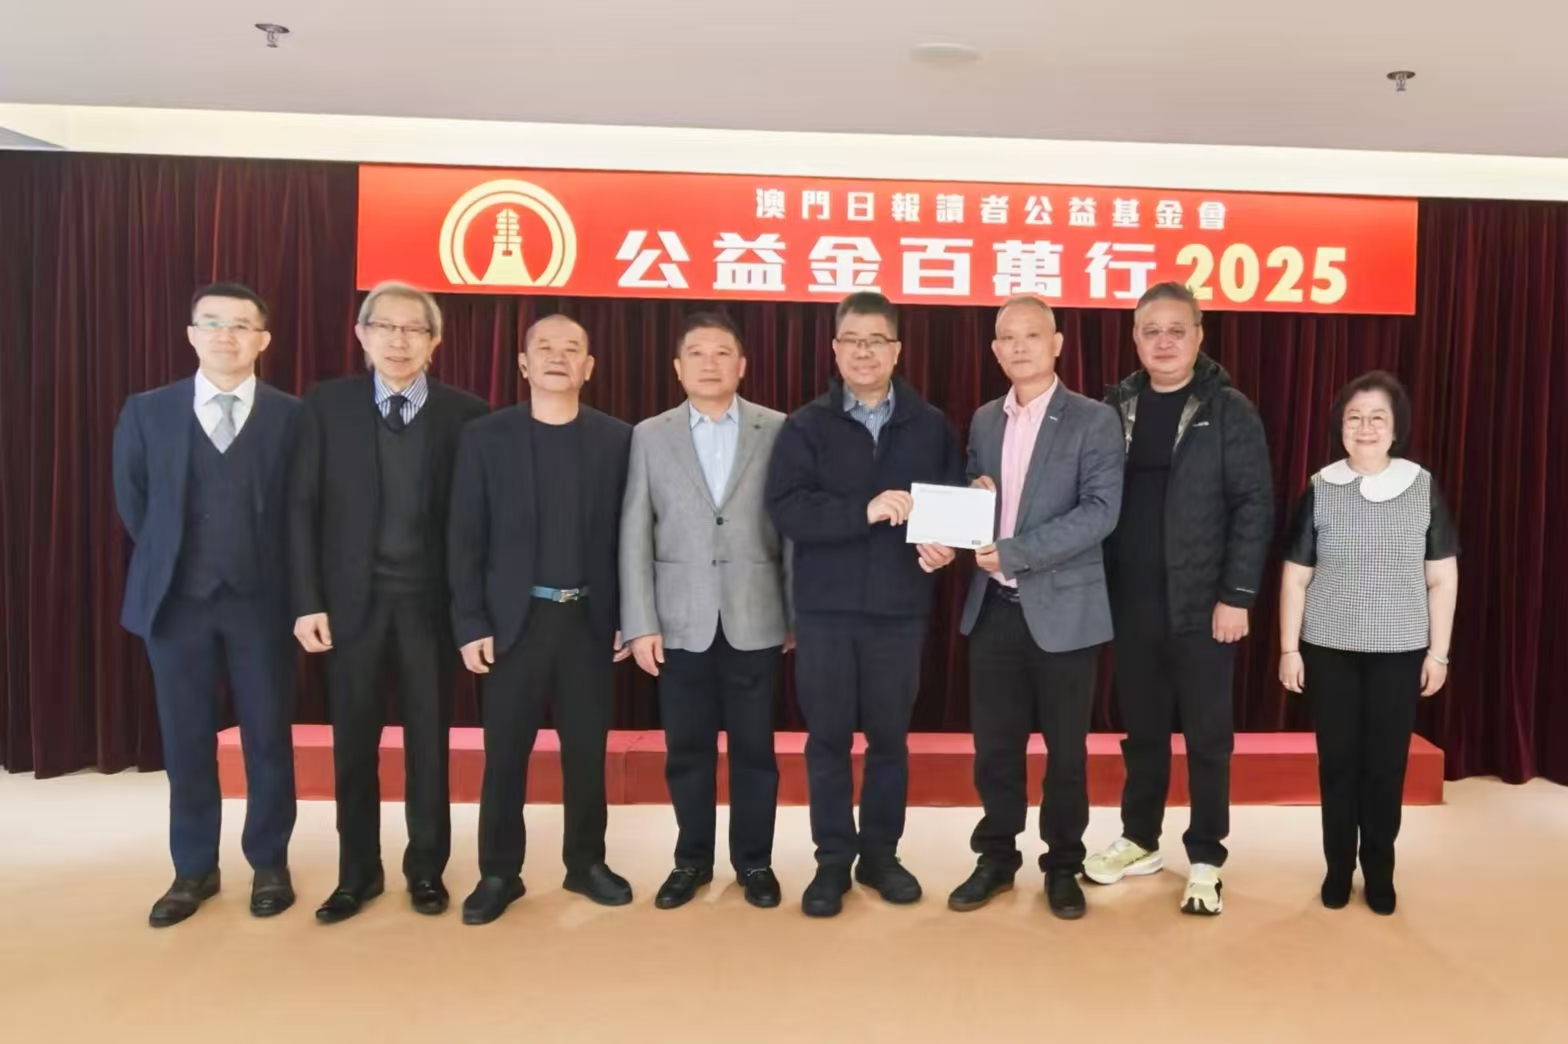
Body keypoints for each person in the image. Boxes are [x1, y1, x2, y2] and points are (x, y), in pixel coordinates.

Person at [288, 282, 487, 923]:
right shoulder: (326, 405)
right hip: (352, 607)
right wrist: (307, 600)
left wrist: (472, 611)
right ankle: (357, 874)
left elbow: (477, 523)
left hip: (430, 607)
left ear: (435, 341)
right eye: (385, 327)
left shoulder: (467, 414)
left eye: (413, 329)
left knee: (429, 744)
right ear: (362, 335)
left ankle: (426, 869)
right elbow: (301, 507)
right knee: (353, 745)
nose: (399, 341)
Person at [765, 291, 964, 918]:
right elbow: (787, 508)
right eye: (852, 340)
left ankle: (880, 856)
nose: (864, 352)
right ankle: (832, 861)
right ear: (834, 348)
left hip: (900, 611)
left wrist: (945, 546)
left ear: (897, 350)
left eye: (876, 340)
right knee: (826, 741)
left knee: (888, 741)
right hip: (825, 612)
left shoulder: (930, 425)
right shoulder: (806, 425)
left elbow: (951, 503)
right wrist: (864, 510)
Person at [111, 282, 301, 927]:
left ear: (262, 340)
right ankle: (193, 869)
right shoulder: (147, 411)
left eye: (241, 325)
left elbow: (303, 509)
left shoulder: (292, 417)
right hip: (177, 604)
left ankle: (269, 863)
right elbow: (136, 503)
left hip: (263, 604)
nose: (226, 335)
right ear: (192, 334)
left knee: (267, 738)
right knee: (186, 740)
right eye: (212, 323)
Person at [1086, 281, 1273, 916]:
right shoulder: (1114, 406)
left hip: (1204, 606)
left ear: (1198, 336)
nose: (1163, 342)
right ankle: (1140, 839)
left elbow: (1254, 505)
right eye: (1151, 331)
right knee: (1141, 732)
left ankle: (1206, 856)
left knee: (1207, 737)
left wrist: (1237, 596)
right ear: (1135, 338)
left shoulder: (1229, 408)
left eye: (1176, 330)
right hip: (1130, 603)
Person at [448, 313, 634, 925]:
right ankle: (499, 872)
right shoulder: (485, 437)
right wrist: (470, 621)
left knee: (586, 752)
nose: (558, 357)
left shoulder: (618, 439)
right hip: (513, 623)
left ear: (589, 367)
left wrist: (628, 615)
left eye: (571, 348)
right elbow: (464, 538)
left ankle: (586, 862)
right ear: (524, 364)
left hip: (589, 621)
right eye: (545, 348)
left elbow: (630, 537)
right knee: (505, 754)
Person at [947, 296, 1125, 919]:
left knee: (1065, 752)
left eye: (1032, 334)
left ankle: (1063, 864)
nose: (1019, 346)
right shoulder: (984, 420)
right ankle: (996, 857)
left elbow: (1100, 512)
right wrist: (970, 501)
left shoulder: (1094, 420)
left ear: (1057, 343)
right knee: (995, 748)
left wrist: (1016, 552)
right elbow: (977, 498)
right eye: (1008, 337)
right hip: (993, 609)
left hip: (1065, 614)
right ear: (995, 350)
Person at [620, 312, 789, 911]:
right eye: (697, 353)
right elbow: (635, 530)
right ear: (677, 367)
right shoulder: (650, 434)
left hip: (756, 616)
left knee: (755, 752)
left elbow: (790, 529)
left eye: (722, 353)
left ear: (742, 365)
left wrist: (793, 614)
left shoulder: (778, 428)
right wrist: (640, 621)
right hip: (678, 621)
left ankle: (755, 863)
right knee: (686, 750)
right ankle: (690, 861)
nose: (710, 363)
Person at [1279, 371, 1458, 915]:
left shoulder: (1422, 486)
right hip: (1329, 648)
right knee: (1337, 764)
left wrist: (1438, 653)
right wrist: (1289, 649)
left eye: (1378, 417)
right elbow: (1295, 577)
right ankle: (1338, 868)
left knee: (1385, 766)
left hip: (1399, 651)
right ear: (1340, 427)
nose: (1365, 427)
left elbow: (1442, 577)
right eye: (1354, 417)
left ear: (1396, 428)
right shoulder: (1320, 486)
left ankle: (1380, 869)